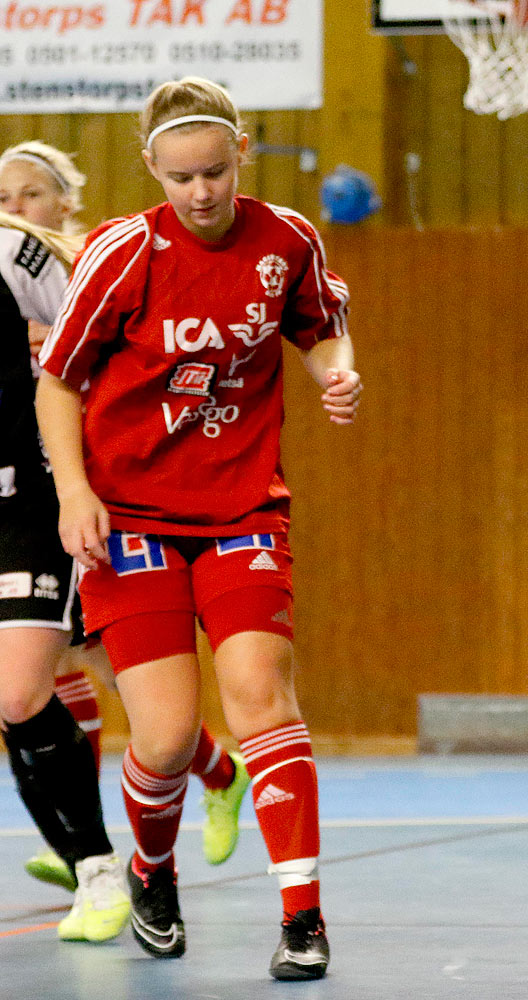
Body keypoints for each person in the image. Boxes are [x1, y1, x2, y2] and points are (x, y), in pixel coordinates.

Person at [34, 76, 360, 981]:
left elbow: (320, 326)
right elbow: (57, 380)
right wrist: (72, 491)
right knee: (169, 738)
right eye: (180, 178)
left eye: (215, 172)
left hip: (241, 508)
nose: (201, 193)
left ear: (241, 153)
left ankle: (303, 916)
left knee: (260, 690)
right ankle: (151, 870)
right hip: (130, 514)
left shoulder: (287, 238)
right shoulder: (120, 251)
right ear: (152, 169)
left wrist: (339, 371)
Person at [0, 141, 251, 895]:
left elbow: (103, 370)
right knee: (87, 669)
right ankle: (186, 789)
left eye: (28, 195)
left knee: (38, 682)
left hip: (61, 492)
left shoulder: (65, 264)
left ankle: (97, 856)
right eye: (4, 196)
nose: (15, 208)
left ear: (62, 201)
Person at [0, 209, 132, 944]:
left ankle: (99, 867)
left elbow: (96, 351)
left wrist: (83, 485)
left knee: (20, 691)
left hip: (26, 501)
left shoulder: (14, 255)